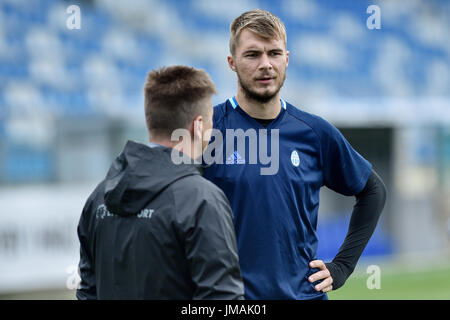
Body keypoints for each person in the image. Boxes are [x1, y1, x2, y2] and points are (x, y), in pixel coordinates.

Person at [202, 9, 387, 300]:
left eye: (274, 53)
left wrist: (342, 267)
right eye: (252, 55)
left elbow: (373, 190)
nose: (266, 64)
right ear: (232, 63)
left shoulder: (314, 132)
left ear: (286, 59)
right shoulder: (206, 131)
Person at [76, 65, 244, 300]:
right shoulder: (201, 200)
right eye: (210, 121)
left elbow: (87, 292)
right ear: (198, 126)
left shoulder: (99, 196)